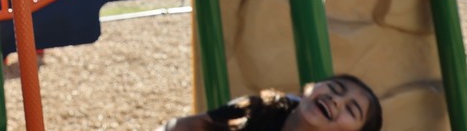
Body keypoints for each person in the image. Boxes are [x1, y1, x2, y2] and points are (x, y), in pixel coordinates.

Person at [157, 74, 383, 131]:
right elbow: (187, 125)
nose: (336, 99)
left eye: (352, 110)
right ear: (308, 90)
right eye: (334, 88)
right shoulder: (258, 109)